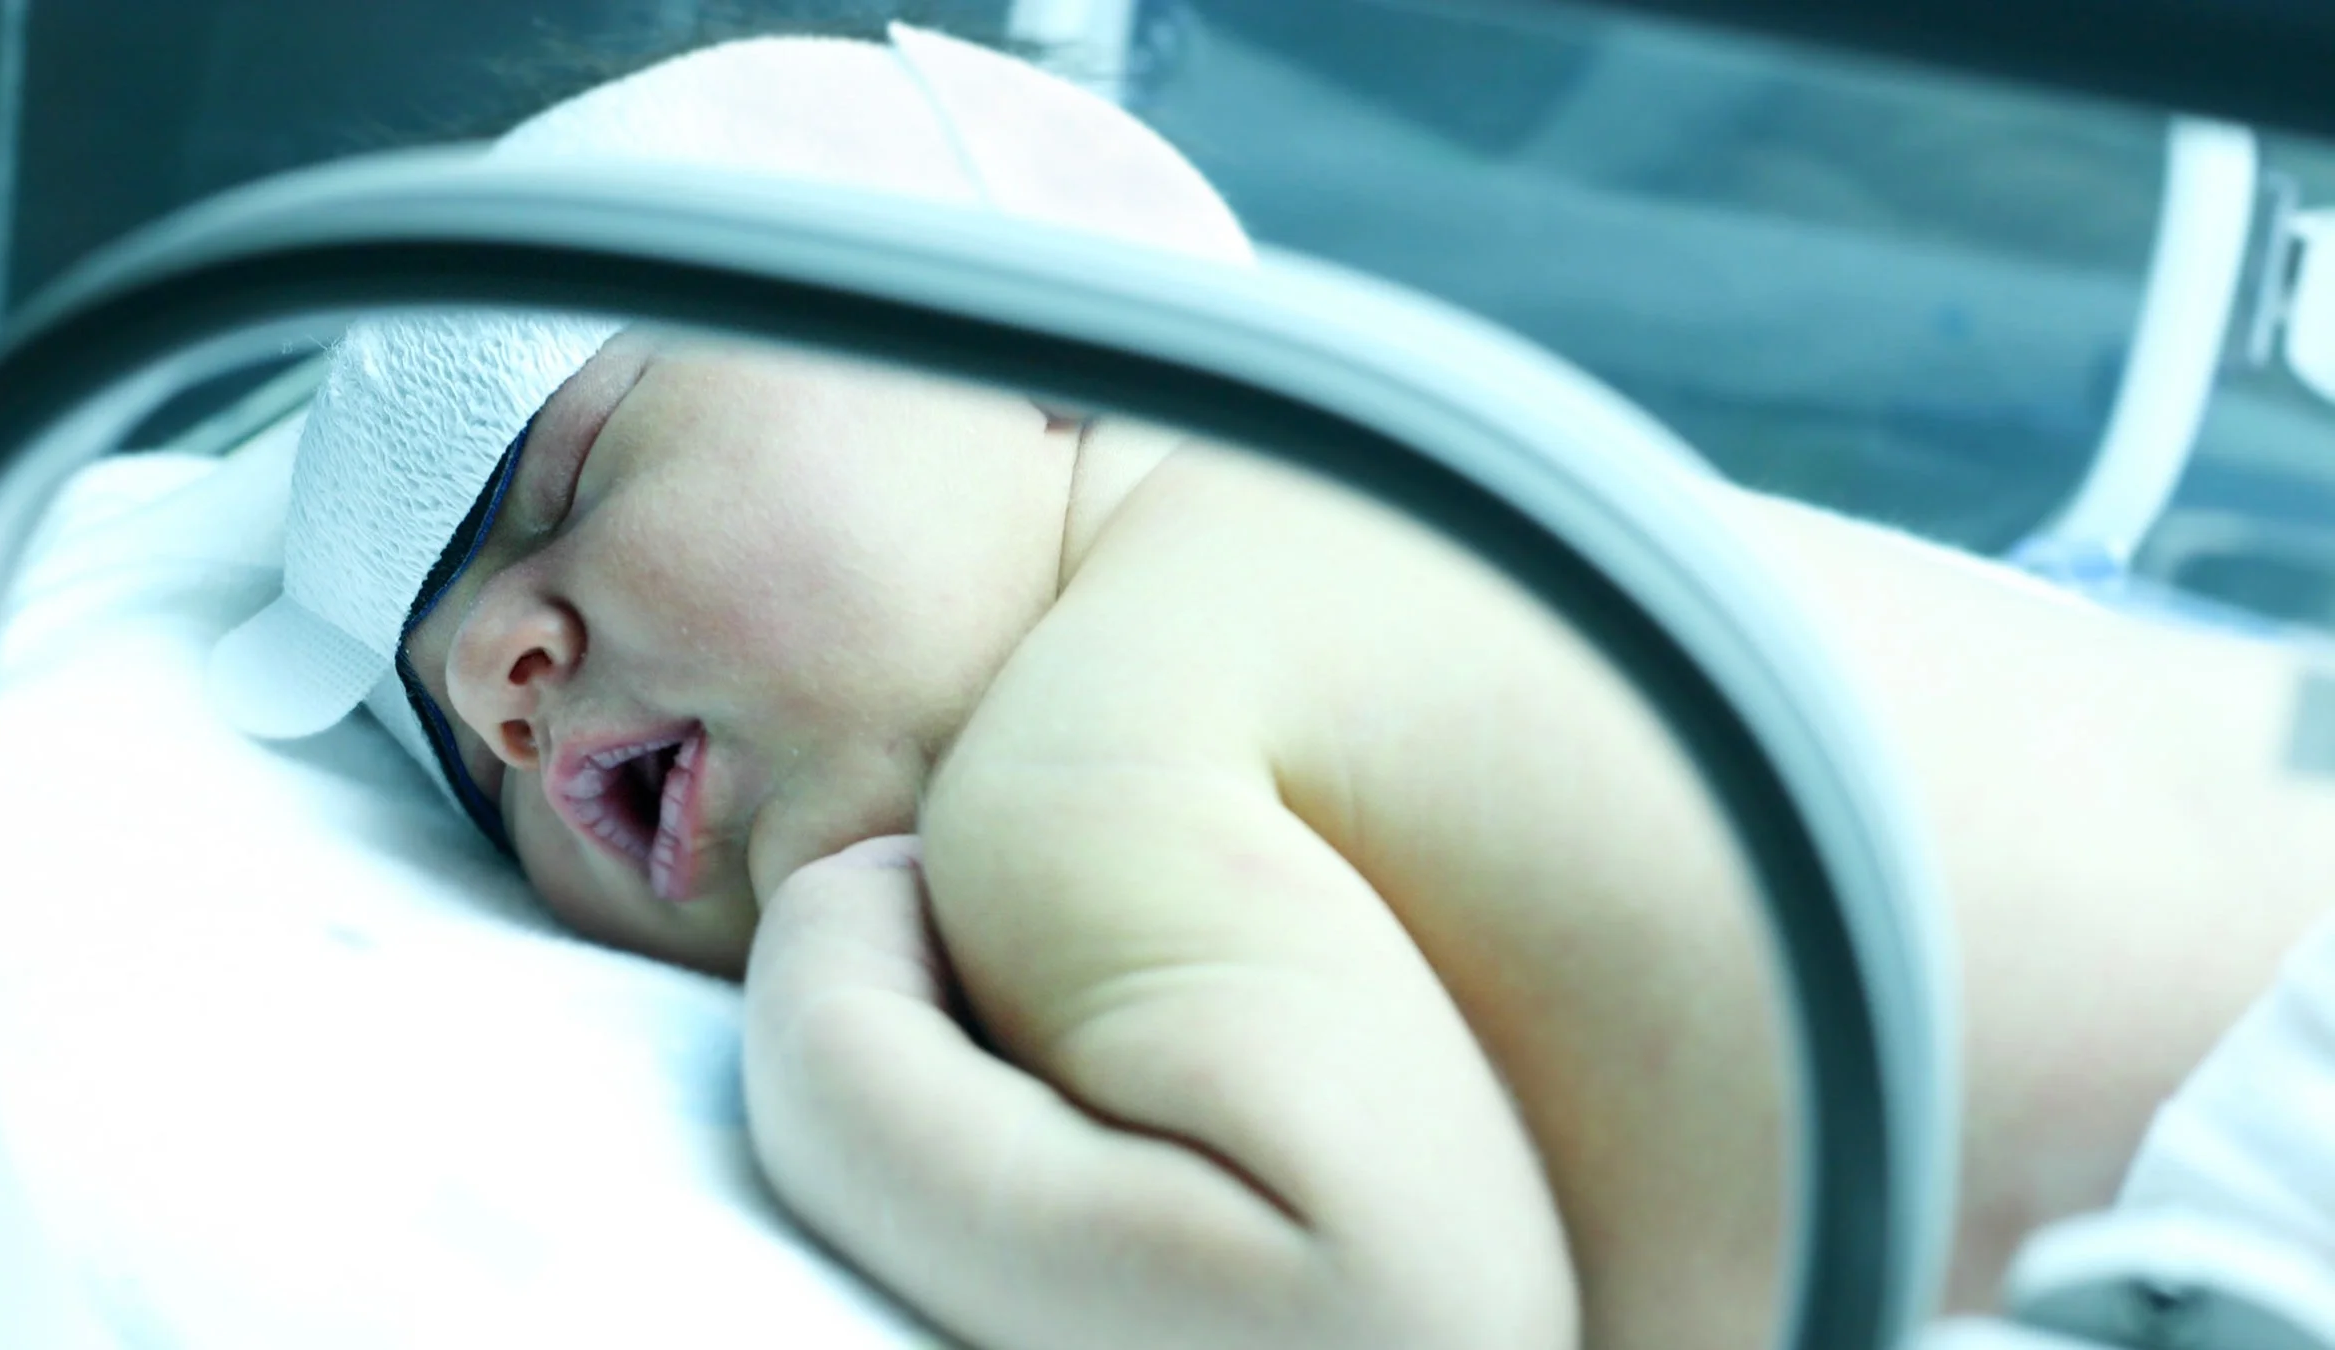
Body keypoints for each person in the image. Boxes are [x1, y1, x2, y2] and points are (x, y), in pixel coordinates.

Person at [209, 25, 2335, 1350]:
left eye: (567, 487)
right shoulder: (1431, 460)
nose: (501, 670)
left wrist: (834, 1030)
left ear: (1007, 332)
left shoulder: (1091, 743)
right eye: (454, 733)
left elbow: (1399, 1306)